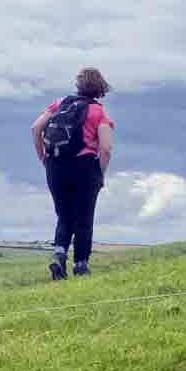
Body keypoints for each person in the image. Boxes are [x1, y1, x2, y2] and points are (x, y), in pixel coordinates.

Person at [31, 68, 115, 280]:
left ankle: (59, 256)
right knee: (84, 218)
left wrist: (43, 157)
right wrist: (100, 173)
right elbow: (105, 148)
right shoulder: (98, 112)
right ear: (100, 89)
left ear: (78, 85)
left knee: (64, 215)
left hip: (55, 165)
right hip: (84, 166)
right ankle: (80, 265)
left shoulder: (60, 103)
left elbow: (36, 128)